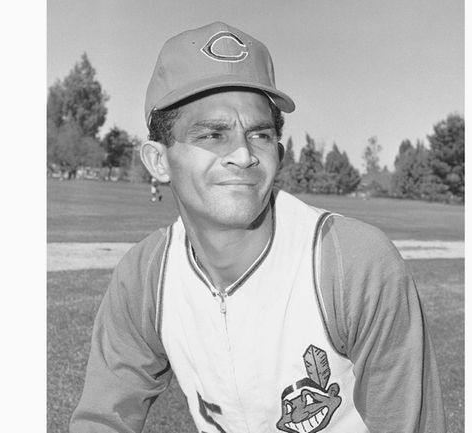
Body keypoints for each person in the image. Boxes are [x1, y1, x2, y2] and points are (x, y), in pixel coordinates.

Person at [71, 22, 445, 433]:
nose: (243, 154)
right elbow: (103, 419)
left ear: (278, 152)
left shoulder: (351, 264)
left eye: (259, 134)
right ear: (158, 161)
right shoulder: (145, 278)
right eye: (213, 134)